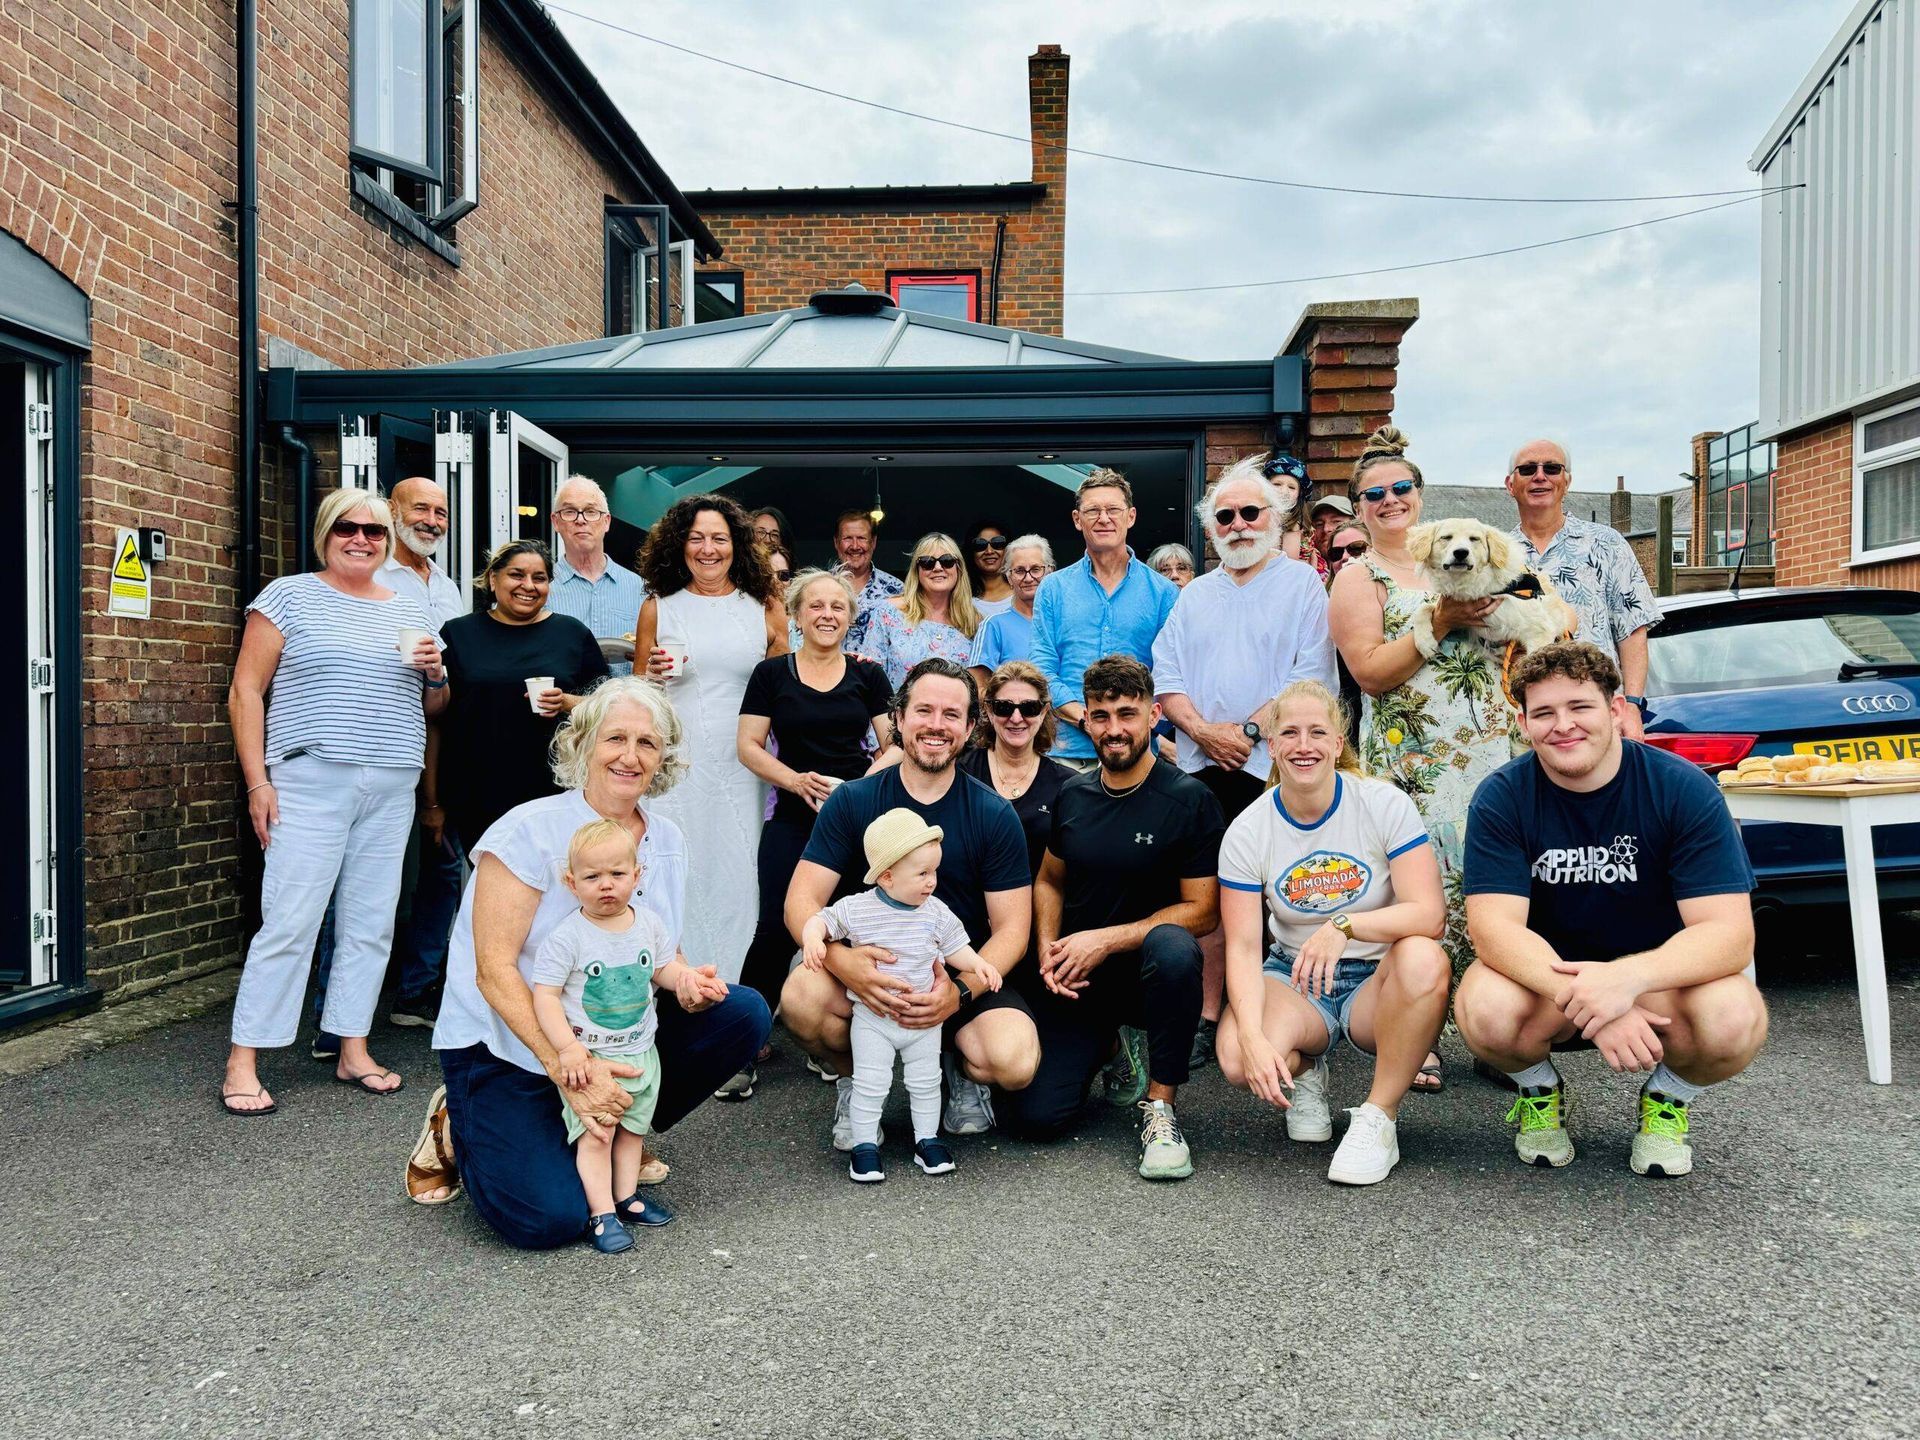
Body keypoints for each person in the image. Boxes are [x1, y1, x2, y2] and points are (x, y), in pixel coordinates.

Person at [417, 677, 773, 1237]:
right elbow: (493, 971)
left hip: (611, 1036)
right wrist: (566, 1068)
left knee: (742, 1011)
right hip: (511, 1044)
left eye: (648, 743)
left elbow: (659, 943)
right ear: (581, 744)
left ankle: (619, 1128)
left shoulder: (668, 839)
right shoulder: (528, 833)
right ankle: (455, 1124)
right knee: (548, 1221)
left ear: (663, 758)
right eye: (615, 739)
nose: (631, 757)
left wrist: (683, 980)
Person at [1457, 643, 1767, 1178]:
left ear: (1616, 710)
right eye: (1544, 713)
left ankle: (1668, 1099)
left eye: (1580, 707)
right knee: (1483, 1006)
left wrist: (1625, 982)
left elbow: (1729, 935)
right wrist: (1596, 1000)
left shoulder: (1683, 790)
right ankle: (1539, 1089)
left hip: (1656, 981)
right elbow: (1493, 930)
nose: (1563, 726)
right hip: (1548, 983)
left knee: (1734, 1016)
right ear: (1523, 722)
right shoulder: (1502, 797)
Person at [222, 488, 449, 1115]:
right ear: (325, 532)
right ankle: (245, 1057)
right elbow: (246, 693)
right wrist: (258, 783)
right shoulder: (288, 597)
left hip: (392, 781)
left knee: (371, 923)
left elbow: (435, 709)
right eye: (347, 528)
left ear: (388, 540)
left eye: (375, 532)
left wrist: (435, 674)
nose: (361, 540)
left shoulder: (410, 609)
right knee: (292, 919)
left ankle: (352, 1046)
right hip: (309, 779)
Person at [1328, 425, 1522, 1092]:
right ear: (1357, 506)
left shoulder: (1468, 551)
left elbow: (1543, 622)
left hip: (1493, 753)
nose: (1389, 500)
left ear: (1419, 493)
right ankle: (1416, 1032)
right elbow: (1371, 673)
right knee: (1422, 894)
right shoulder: (1360, 578)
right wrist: (1435, 624)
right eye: (1373, 493)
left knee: (1496, 890)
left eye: (1400, 488)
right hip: (1414, 763)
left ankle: (1497, 1031)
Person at [780, 658, 1037, 1149]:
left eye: (951, 714)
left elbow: (1011, 931)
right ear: (898, 718)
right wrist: (843, 962)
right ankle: (859, 1083)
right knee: (801, 998)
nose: (936, 726)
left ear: (969, 727)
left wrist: (958, 993)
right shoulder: (853, 800)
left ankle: (958, 1071)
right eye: (924, 711)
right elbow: (801, 902)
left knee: (1014, 1061)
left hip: (953, 972)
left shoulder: (992, 813)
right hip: (870, 971)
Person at [1215, 680, 1451, 1186]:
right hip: (1297, 977)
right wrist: (1255, 1037)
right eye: (1291, 734)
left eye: (1318, 732)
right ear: (1272, 746)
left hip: (1378, 979)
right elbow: (1241, 945)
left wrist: (1346, 924)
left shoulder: (1383, 804)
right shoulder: (1247, 830)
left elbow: (1430, 914)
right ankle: (1306, 1075)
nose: (1305, 746)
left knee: (1426, 959)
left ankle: (1379, 1116)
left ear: (1338, 743)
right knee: (1237, 1056)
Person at [1153, 456, 1338, 1067]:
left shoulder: (1303, 586)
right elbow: (1167, 678)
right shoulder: (1194, 596)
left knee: (1286, 892)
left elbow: (1309, 675)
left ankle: (1290, 1013)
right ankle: (1212, 1015)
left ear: (1275, 516)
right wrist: (1207, 732)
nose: (1237, 525)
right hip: (1202, 769)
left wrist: (1250, 731)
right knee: (1210, 895)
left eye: (1249, 512)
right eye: (1225, 516)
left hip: (1278, 769)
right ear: (1212, 529)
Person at [1009, 657, 1221, 1182]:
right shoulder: (1074, 793)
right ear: (1087, 722)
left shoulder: (1189, 800)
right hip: (1082, 978)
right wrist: (1048, 948)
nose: (1114, 729)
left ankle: (1161, 1108)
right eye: (1101, 716)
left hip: (1150, 976)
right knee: (1037, 1119)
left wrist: (1106, 940)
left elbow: (1203, 911)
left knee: (1173, 948)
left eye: (1127, 714)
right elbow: (1050, 880)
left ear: (1153, 716)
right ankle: (1110, 1046)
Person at [311, 475, 467, 1055]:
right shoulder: (366, 574)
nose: (431, 519)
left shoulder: (447, 589)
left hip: (431, 747)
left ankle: (414, 994)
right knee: (352, 887)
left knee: (440, 871)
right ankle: (334, 1018)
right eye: (419, 508)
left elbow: (441, 685)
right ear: (393, 513)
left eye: (441, 511)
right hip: (363, 752)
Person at [800, 809, 1006, 1182]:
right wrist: (814, 937)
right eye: (923, 874)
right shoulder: (859, 907)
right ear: (887, 876)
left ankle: (926, 1140)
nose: (932, 882)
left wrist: (979, 966)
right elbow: (821, 919)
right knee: (870, 1082)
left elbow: (957, 947)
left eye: (934, 872)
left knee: (925, 1082)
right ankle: (864, 1145)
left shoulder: (935, 912)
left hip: (923, 1020)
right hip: (873, 1018)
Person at [736, 569, 896, 1026]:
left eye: (838, 607)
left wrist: (854, 788)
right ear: (797, 616)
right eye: (816, 606)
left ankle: (830, 1031)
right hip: (791, 814)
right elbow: (748, 745)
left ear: (850, 617)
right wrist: (795, 781)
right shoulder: (770, 674)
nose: (827, 615)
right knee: (773, 926)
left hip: (855, 819)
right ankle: (747, 1039)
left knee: (848, 928)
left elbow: (896, 745)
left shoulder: (869, 673)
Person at [529, 818, 675, 1252]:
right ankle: (601, 1214)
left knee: (632, 1130)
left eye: (617, 874)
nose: (606, 885)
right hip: (591, 1058)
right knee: (598, 1134)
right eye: (592, 877)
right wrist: (568, 1050)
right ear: (571, 882)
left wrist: (686, 981)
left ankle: (626, 1197)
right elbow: (546, 997)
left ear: (637, 874)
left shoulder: (648, 924)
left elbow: (662, 969)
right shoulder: (568, 937)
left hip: (641, 1051)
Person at [430, 540, 608, 855]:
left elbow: (609, 707)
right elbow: (435, 721)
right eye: (517, 575)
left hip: (555, 792)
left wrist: (566, 702)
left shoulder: (571, 634)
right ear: (492, 578)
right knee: (488, 885)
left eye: (539, 578)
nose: (528, 585)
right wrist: (431, 800)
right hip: (475, 793)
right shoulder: (457, 634)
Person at [1503, 440, 1661, 742]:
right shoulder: (1498, 554)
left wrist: (1632, 706)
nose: (1540, 476)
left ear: (1567, 481)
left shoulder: (1607, 543)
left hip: (1596, 712)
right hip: (1526, 718)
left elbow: (1632, 629)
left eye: (1551, 468)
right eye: (1527, 469)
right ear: (1511, 484)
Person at [1030, 469, 1179, 772]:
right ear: (1077, 519)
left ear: (1131, 516)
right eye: (1092, 511)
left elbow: (1169, 672)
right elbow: (1042, 669)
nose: (1104, 518)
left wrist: (1127, 723)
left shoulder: (1163, 592)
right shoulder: (1053, 589)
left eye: (1113, 510)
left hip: (1137, 754)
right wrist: (1089, 720)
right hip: (1069, 755)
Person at [959, 661, 1071, 880]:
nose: (1016, 718)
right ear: (989, 711)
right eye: (1004, 707)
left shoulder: (1066, 786)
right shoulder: (961, 772)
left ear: (1043, 712)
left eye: (1029, 708)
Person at [548, 476, 645, 677]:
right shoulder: (542, 588)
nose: (580, 520)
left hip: (623, 703)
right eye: (569, 512)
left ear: (606, 522)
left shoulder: (639, 588)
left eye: (591, 512)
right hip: (560, 703)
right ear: (555, 522)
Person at [865, 532, 981, 688]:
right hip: (896, 711)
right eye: (927, 562)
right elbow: (870, 677)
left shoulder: (975, 622)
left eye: (947, 561)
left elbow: (978, 688)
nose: (938, 568)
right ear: (916, 570)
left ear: (959, 568)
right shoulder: (887, 612)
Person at [967, 535, 1051, 690]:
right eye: (1019, 571)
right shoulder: (993, 625)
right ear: (1009, 577)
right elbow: (977, 688)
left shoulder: (1066, 621)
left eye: (1036, 569)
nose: (1028, 578)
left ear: (1050, 571)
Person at [831, 508, 902, 654]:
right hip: (827, 674)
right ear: (836, 543)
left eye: (862, 538)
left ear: (873, 542)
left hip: (880, 675)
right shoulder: (819, 587)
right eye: (848, 538)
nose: (855, 546)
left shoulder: (897, 589)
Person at [1263, 453, 1323, 579]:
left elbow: (1289, 565)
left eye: (1291, 487)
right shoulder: (1260, 518)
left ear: (1299, 496)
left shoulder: (1294, 524)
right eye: (1277, 484)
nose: (1283, 491)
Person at [964, 520, 1016, 618]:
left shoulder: (1023, 592)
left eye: (997, 543)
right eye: (980, 545)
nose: (989, 551)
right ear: (971, 552)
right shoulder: (961, 597)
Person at [1307, 494, 1357, 566]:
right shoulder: (1303, 569)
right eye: (1319, 524)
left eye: (1336, 521)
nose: (1326, 529)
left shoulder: (1371, 565)